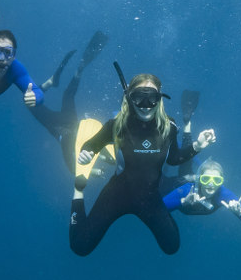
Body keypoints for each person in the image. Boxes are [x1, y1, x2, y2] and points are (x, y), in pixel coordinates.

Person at [70, 73, 217, 256]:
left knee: (172, 247)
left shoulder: (169, 126)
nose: (146, 105)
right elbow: (90, 144)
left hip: (149, 197)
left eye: (152, 98)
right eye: (139, 97)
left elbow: (173, 158)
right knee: (80, 246)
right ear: (130, 98)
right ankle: (78, 190)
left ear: (159, 99)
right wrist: (87, 153)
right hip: (117, 193)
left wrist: (198, 146)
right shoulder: (116, 125)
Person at [28, 31, 109, 173]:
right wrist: (96, 171)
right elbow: (72, 167)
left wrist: (96, 171)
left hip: (64, 121)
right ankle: (66, 76)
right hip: (61, 123)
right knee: (57, 98)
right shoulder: (69, 143)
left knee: (66, 96)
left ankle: (69, 75)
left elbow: (73, 167)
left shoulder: (71, 143)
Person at [162, 159, 241, 225]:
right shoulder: (186, 190)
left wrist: (239, 212)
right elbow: (158, 209)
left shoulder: (223, 194)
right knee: (164, 181)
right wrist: (182, 201)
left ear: (221, 182)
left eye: (217, 180)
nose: (211, 184)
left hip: (195, 175)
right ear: (199, 180)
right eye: (205, 179)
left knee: (191, 163)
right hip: (175, 184)